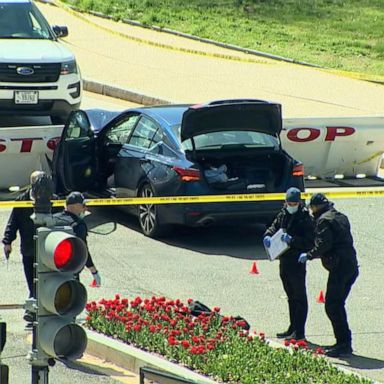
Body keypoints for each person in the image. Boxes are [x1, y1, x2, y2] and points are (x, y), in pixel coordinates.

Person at [298, 193, 359, 357]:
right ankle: (344, 341)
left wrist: (309, 255)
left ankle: (344, 343)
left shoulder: (324, 221)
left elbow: (323, 244)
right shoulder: (340, 216)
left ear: (316, 206)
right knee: (337, 304)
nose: (311, 211)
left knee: (332, 305)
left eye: (312, 208)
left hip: (340, 268)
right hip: (351, 266)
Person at [263, 187, 314, 341]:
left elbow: (309, 242)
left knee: (299, 297)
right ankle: (292, 328)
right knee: (290, 296)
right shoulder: (284, 213)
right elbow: (274, 226)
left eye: (294, 203)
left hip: (297, 261)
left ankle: (300, 331)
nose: (291, 205)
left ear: (299, 202)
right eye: (288, 203)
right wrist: (268, 235)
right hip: (284, 259)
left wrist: (292, 240)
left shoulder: (305, 218)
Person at [2, 170, 45, 324]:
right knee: (32, 280)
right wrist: (7, 241)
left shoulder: (52, 199)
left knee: (41, 279)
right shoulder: (22, 200)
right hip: (28, 249)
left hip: (46, 250)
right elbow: (13, 222)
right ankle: (33, 305)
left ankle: (32, 308)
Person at [53, 191, 101, 287]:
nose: (85, 208)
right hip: (69, 269)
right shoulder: (78, 225)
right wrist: (94, 271)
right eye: (83, 205)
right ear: (75, 206)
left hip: (50, 268)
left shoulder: (53, 219)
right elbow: (83, 249)